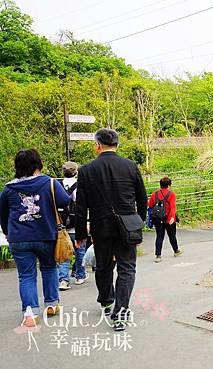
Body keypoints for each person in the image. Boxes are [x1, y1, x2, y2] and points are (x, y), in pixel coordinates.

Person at [74, 128, 147, 332]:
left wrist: (80, 234)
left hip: (101, 227)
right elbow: (142, 199)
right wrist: (139, 225)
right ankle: (121, 313)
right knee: (127, 268)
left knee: (103, 266)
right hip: (127, 227)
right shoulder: (131, 166)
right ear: (117, 144)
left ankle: (107, 301)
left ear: (98, 145)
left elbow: (81, 206)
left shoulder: (87, 170)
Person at [0, 149, 70, 327]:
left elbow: (2, 213)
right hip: (45, 234)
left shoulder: (9, 188)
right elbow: (64, 201)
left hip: (19, 238)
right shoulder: (49, 182)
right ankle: (51, 304)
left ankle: (30, 314)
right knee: (48, 268)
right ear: (38, 164)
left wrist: (7, 231)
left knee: (26, 276)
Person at [58, 161, 88, 290]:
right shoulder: (80, 186)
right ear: (76, 172)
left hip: (62, 226)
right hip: (77, 225)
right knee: (80, 251)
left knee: (65, 253)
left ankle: (63, 280)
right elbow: (84, 206)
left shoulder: (57, 185)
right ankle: (79, 276)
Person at [148, 176, 182, 263]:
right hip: (168, 218)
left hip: (158, 219)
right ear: (169, 185)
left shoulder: (154, 194)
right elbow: (173, 207)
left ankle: (158, 256)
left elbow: (150, 205)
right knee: (172, 236)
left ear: (160, 185)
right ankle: (176, 251)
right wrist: (171, 218)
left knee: (159, 236)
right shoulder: (171, 194)